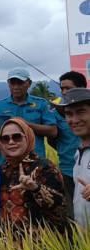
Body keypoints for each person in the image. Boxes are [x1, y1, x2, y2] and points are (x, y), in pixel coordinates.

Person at [0, 118, 66, 234]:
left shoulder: (44, 167)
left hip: (43, 245)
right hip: (8, 246)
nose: (11, 142)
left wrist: (36, 189)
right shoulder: (1, 170)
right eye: (5, 138)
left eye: (17, 137)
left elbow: (61, 207)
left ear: (27, 137)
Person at [0, 67, 57, 164]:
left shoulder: (41, 104)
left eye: (20, 83)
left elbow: (53, 131)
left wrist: (27, 124)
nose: (16, 87)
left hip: (35, 162)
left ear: (29, 83)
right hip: (7, 163)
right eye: (12, 83)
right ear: (8, 83)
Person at [52, 88, 90, 229]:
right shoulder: (79, 150)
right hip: (84, 238)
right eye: (69, 114)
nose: (74, 120)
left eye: (81, 112)